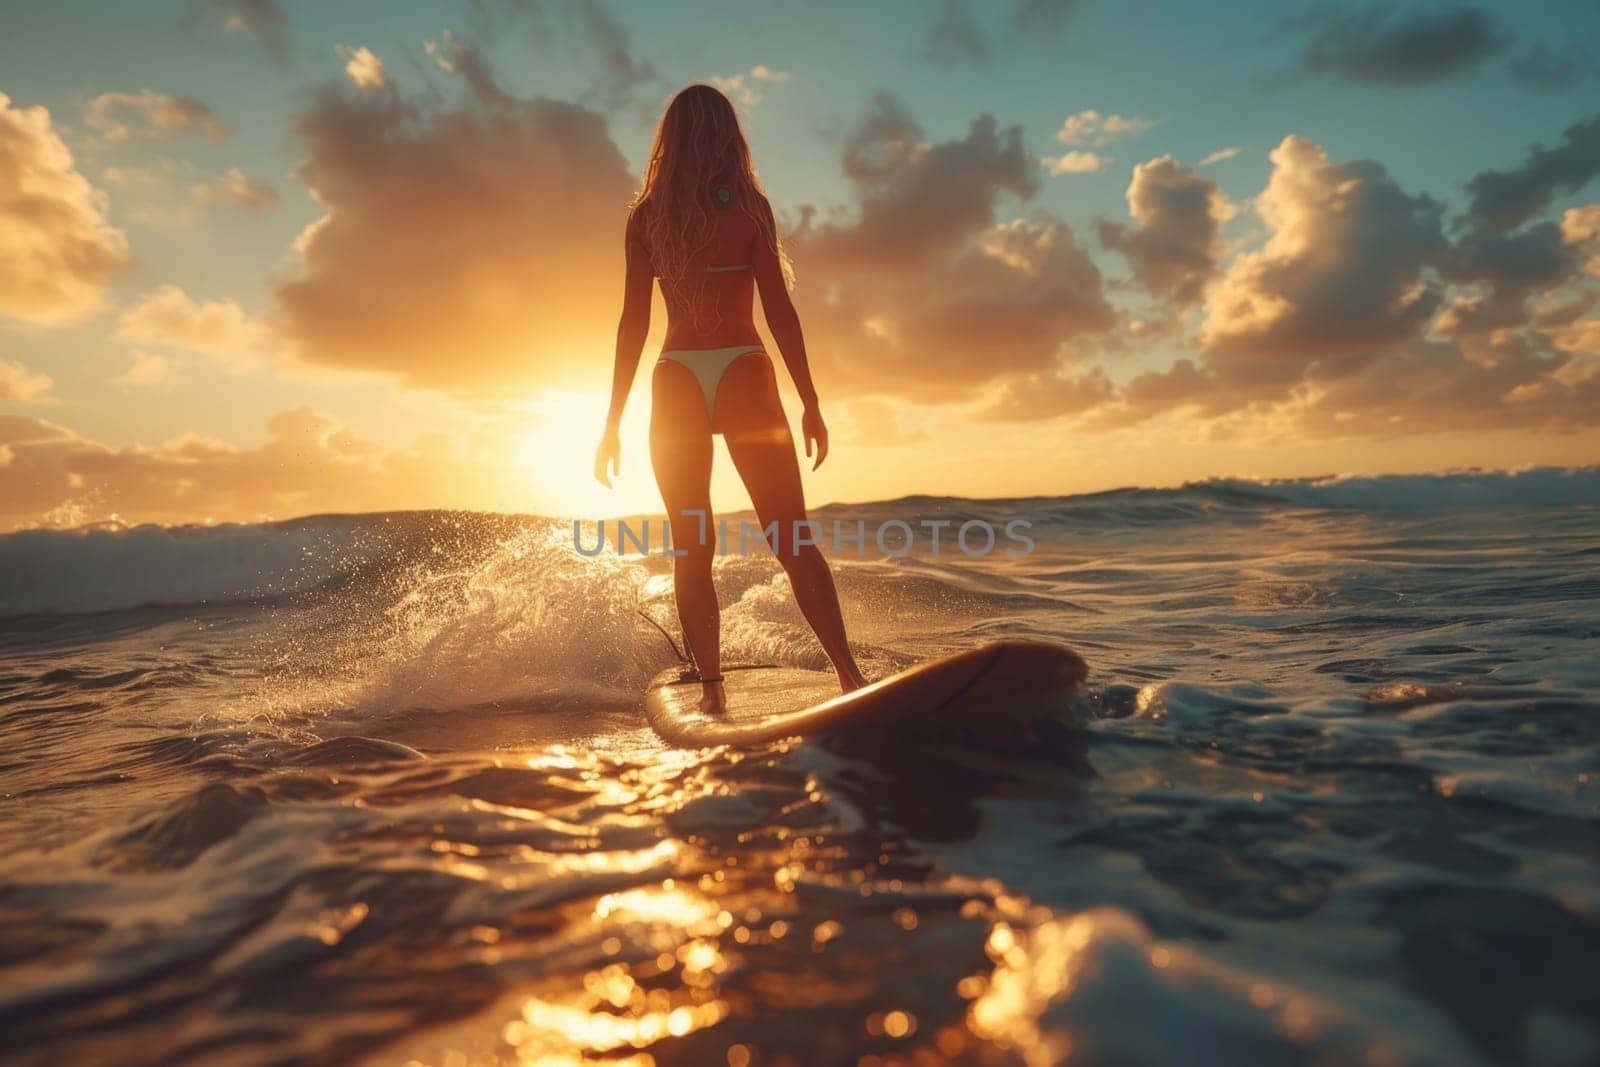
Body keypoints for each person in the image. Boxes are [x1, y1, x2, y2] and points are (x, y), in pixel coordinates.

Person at [595, 84, 867, 713]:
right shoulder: (747, 206)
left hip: (677, 379)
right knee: (792, 539)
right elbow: (780, 310)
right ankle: (849, 677)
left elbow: (632, 324)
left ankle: (713, 693)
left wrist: (611, 421)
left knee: (692, 543)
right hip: (745, 371)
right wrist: (810, 400)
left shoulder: (647, 217)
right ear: (727, 134)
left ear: (668, 138)